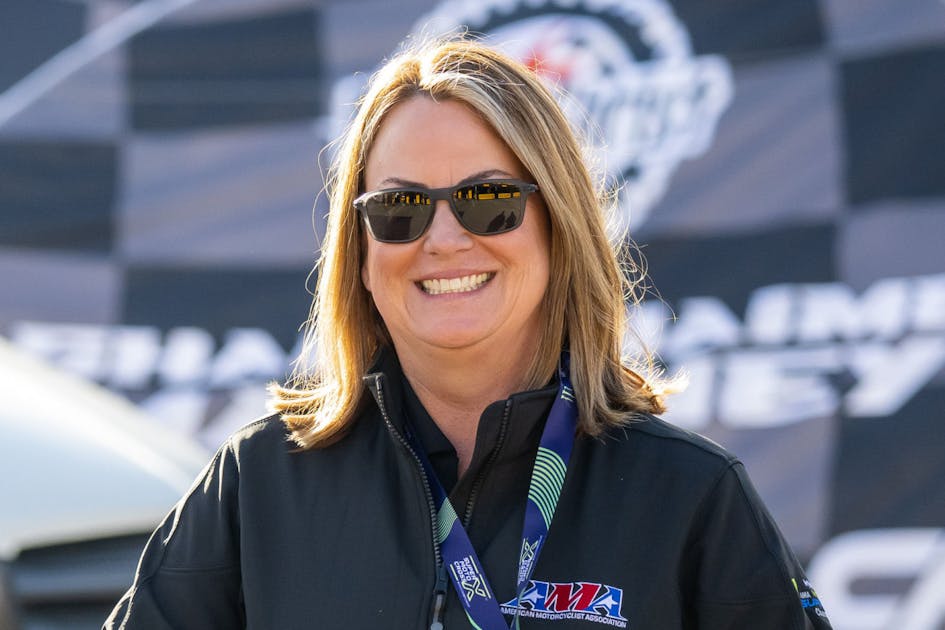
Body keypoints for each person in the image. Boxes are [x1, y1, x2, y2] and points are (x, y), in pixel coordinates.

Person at [105, 38, 832, 629]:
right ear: (360, 252)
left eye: (489, 200)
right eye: (400, 209)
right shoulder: (258, 485)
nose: (445, 239)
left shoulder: (689, 496)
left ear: (559, 229)